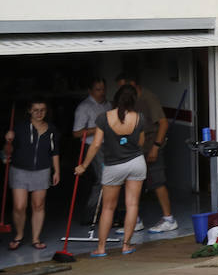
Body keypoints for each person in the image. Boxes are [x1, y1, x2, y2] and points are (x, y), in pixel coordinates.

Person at [75, 84, 145, 256]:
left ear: (115, 99)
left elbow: (96, 144)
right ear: (133, 101)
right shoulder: (139, 118)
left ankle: (101, 248)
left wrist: (83, 165)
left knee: (107, 208)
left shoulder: (103, 118)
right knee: (132, 204)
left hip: (113, 166)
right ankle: (126, 246)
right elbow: (141, 143)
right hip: (136, 163)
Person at [116, 73, 177, 233]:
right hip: (136, 149)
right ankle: (134, 220)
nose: (122, 91)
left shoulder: (149, 98)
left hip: (151, 146)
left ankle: (169, 219)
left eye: (124, 87)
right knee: (131, 182)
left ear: (134, 84)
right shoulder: (129, 100)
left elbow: (163, 123)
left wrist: (156, 147)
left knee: (157, 182)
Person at [3, 98, 60, 251]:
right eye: (36, 110)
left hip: (42, 170)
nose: (39, 113)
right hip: (19, 170)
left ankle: (35, 238)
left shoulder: (51, 129)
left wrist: (57, 171)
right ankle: (19, 236)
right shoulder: (20, 128)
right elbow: (7, 152)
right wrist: (8, 140)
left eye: (42, 110)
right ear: (29, 111)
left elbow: (54, 152)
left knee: (38, 205)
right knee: (20, 206)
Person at [72, 77, 110, 231]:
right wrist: (99, 128)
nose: (101, 92)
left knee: (110, 179)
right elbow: (76, 133)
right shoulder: (84, 108)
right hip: (93, 147)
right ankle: (90, 215)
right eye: (97, 89)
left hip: (109, 146)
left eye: (103, 89)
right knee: (102, 179)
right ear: (90, 91)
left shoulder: (108, 105)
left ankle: (107, 213)